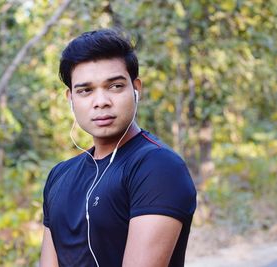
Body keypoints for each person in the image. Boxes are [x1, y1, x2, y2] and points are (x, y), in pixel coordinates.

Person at [40, 29, 197, 267]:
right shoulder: (59, 175)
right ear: (70, 98)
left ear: (136, 89)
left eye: (114, 86)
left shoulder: (158, 168)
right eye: (85, 90)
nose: (101, 101)